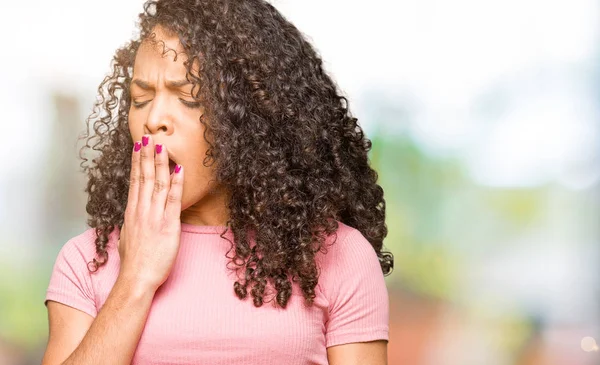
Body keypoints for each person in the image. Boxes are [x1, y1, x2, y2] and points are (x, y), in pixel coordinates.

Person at [41, 0, 394, 364]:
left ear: (248, 116)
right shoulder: (86, 261)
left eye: (189, 97)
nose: (154, 119)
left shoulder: (341, 257)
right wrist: (135, 280)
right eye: (141, 98)